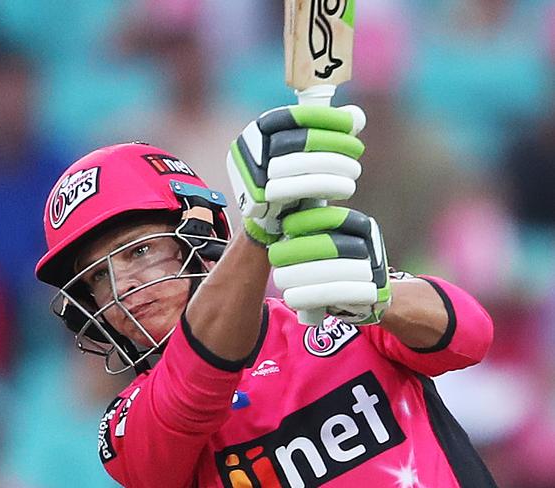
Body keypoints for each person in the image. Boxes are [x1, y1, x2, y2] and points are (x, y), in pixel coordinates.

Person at [35, 105, 497, 487]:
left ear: (202, 240)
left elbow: (471, 334)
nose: (122, 289)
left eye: (139, 252)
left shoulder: (336, 313)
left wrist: (380, 298)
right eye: (97, 278)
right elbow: (195, 388)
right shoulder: (125, 425)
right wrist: (260, 231)